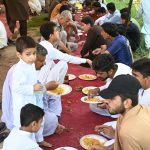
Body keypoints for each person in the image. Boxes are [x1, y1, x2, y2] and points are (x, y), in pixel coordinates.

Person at [88, 74, 150, 150]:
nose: (105, 101)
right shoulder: (140, 108)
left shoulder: (128, 133)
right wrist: (106, 148)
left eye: (112, 98)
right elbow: (122, 143)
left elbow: (127, 138)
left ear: (127, 103)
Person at [10, 36, 51, 147]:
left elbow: (33, 80)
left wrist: (38, 90)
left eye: (34, 53)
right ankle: (30, 145)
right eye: (28, 54)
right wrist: (32, 88)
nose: (32, 57)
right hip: (23, 103)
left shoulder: (30, 64)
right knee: (27, 126)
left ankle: (39, 139)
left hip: (33, 98)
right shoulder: (18, 69)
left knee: (38, 120)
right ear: (19, 55)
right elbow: (16, 88)